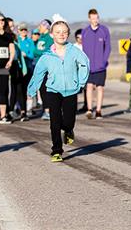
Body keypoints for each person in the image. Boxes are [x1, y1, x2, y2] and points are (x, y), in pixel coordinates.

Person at [27, 14, 89, 162]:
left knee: (68, 121)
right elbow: (38, 73)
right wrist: (31, 89)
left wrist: (81, 82)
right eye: (58, 32)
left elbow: (84, 64)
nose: (61, 34)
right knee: (54, 121)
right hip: (53, 90)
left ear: (67, 34)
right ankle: (56, 150)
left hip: (71, 90)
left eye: (64, 32)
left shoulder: (74, 51)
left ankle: (68, 130)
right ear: (52, 34)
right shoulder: (47, 55)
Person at [82, 8, 111, 119]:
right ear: (89, 18)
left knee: (100, 88)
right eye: (93, 18)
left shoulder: (104, 30)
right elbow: (84, 49)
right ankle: (89, 109)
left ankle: (98, 110)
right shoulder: (85, 32)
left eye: (97, 17)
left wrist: (103, 61)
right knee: (89, 87)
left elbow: (108, 47)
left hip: (100, 66)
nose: (95, 20)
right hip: (89, 66)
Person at [34, 19, 54, 120]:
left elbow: (46, 52)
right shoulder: (41, 38)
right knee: (41, 89)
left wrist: (38, 52)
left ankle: (48, 110)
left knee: (46, 89)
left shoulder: (49, 38)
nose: (39, 28)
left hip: (46, 68)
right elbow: (35, 51)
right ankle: (45, 108)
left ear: (46, 27)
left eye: (41, 26)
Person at [17, 22, 35, 120]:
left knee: (27, 89)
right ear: (18, 31)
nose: (24, 32)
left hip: (28, 68)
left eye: (25, 30)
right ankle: (20, 109)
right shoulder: (16, 41)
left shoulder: (30, 41)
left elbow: (32, 54)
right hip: (18, 69)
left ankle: (28, 109)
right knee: (19, 90)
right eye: (22, 30)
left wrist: (26, 55)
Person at [74, 29, 88, 113]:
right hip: (76, 70)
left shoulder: (87, 46)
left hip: (85, 70)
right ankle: (74, 107)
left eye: (82, 37)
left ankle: (86, 105)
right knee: (75, 90)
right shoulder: (73, 47)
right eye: (78, 37)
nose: (80, 39)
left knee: (86, 89)